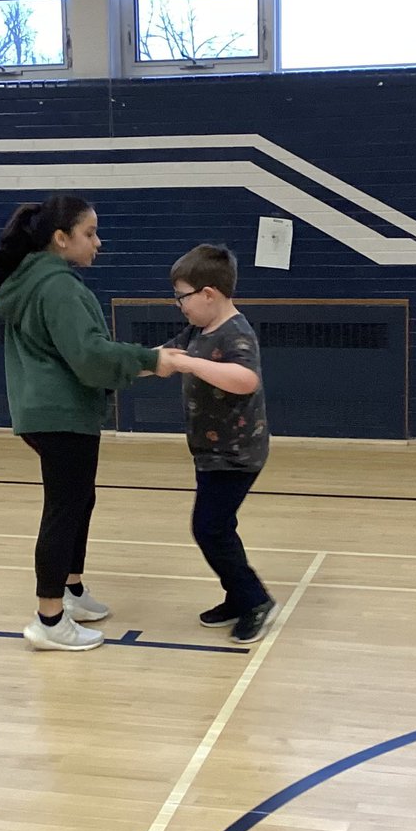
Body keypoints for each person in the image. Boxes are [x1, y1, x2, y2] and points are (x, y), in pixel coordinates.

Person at [0, 194, 177, 652]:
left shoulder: (39, 281)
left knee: (79, 499)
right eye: (89, 233)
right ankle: (49, 619)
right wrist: (151, 359)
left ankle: (70, 590)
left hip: (52, 411)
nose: (98, 241)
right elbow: (90, 357)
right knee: (64, 508)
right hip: (59, 414)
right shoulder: (57, 287)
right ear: (61, 238)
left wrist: (148, 363)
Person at [163, 245, 278, 644]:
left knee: (209, 528)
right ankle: (237, 595)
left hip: (235, 453)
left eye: (183, 297)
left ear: (208, 293)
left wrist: (190, 364)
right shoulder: (198, 331)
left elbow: (245, 380)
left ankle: (255, 599)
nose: (180, 305)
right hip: (210, 451)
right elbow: (168, 356)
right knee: (219, 526)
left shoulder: (236, 333)